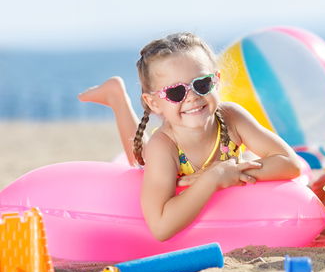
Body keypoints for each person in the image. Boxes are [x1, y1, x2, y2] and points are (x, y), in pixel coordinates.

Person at [79, 33, 303, 241]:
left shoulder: (232, 118)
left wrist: (227, 174)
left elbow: (290, 163)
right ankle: (117, 97)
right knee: (139, 158)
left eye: (201, 84)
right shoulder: (163, 147)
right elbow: (160, 227)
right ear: (154, 102)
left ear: (216, 80)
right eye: (175, 92)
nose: (193, 97)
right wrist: (212, 179)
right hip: (162, 154)